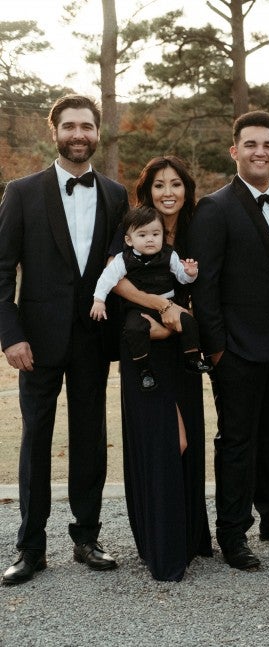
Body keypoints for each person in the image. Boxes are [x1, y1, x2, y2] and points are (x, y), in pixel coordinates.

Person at [0, 94, 127, 585]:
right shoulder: (21, 192)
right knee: (36, 440)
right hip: (36, 342)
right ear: (53, 132)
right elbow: (1, 270)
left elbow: (126, 267)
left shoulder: (115, 195)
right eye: (70, 126)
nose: (79, 134)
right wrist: (11, 336)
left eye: (86, 126)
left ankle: (87, 537)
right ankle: (30, 547)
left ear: (97, 132)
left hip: (94, 337)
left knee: (90, 439)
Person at [189, 110, 269, 571]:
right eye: (250, 144)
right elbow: (205, 285)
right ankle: (233, 532)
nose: (260, 152)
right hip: (235, 347)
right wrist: (217, 348)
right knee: (237, 440)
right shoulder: (214, 208)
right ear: (235, 151)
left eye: (267, 145)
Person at [108, 156, 213, 582]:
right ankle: (162, 549)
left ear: (187, 189)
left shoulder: (194, 230)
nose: (168, 192)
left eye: (176, 184)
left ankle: (188, 539)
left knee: (188, 441)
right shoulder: (134, 226)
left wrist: (180, 323)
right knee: (165, 441)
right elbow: (115, 280)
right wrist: (162, 306)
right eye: (159, 185)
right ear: (147, 191)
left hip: (182, 350)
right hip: (143, 350)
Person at [91, 206, 211, 391]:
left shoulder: (169, 254)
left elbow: (182, 278)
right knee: (134, 329)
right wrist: (99, 301)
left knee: (188, 321)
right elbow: (107, 279)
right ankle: (144, 371)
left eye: (155, 234)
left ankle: (192, 359)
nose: (150, 239)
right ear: (129, 240)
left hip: (169, 304)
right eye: (142, 235)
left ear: (163, 236)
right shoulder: (123, 259)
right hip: (138, 308)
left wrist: (190, 273)